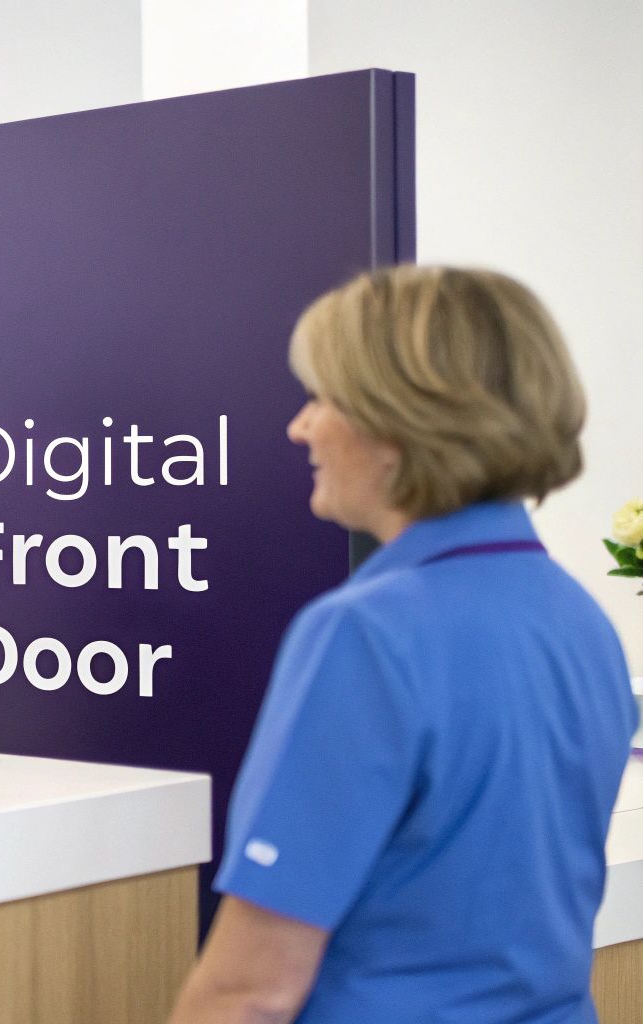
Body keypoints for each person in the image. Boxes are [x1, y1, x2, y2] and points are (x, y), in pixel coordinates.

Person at [168, 266, 635, 1023]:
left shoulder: (366, 637)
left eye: (323, 399)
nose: (301, 426)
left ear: (396, 426)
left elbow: (252, 989)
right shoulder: (582, 623)